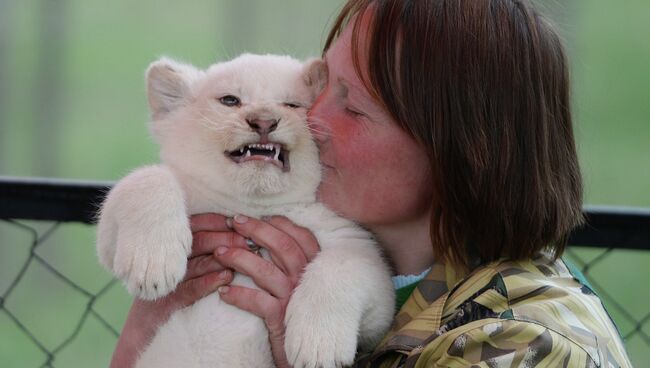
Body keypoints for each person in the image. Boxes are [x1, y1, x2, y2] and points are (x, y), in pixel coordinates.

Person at [110, 0, 632, 367]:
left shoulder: (520, 347)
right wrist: (141, 333)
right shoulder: (383, 269)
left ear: (462, 149)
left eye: (353, 108)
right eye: (320, 88)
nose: (311, 120)